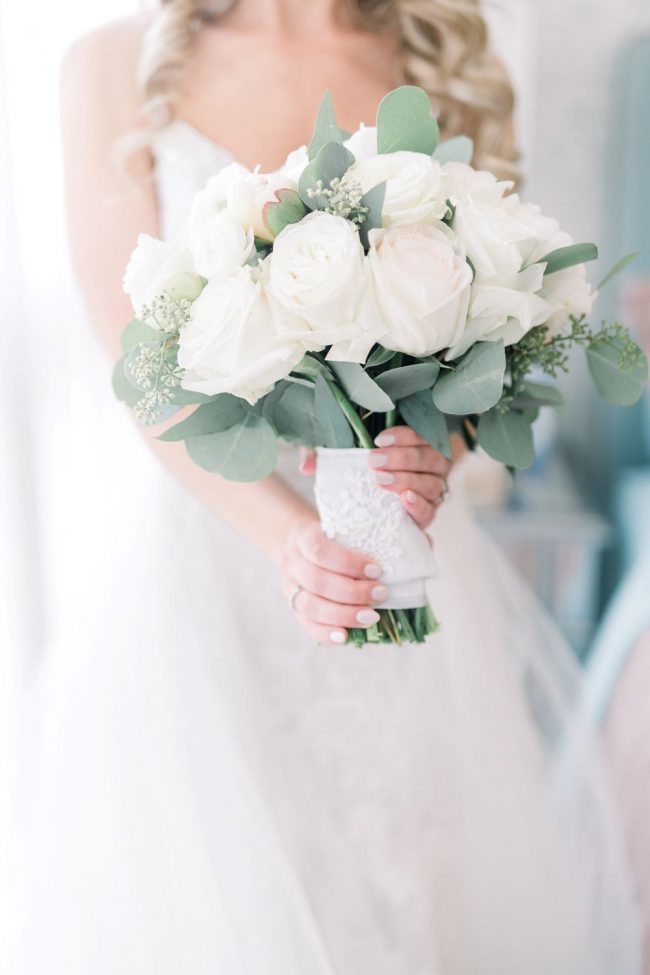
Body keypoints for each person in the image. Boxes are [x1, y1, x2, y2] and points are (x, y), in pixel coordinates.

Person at [5, 1, 641, 972]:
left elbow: (490, 329)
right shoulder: (107, 65)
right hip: (214, 570)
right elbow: (138, 369)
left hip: (402, 559)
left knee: (406, 883)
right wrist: (289, 544)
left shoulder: (453, 51)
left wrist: (442, 455)